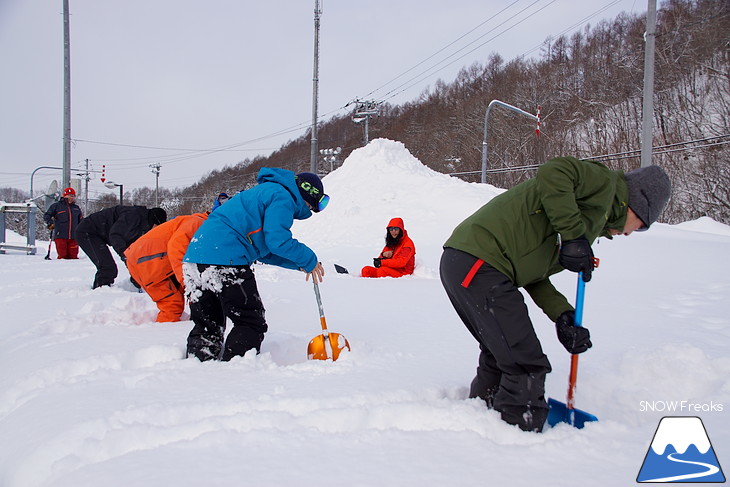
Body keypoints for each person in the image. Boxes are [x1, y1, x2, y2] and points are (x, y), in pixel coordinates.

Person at [439, 157, 671, 432]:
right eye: (642, 225)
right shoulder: (604, 186)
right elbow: (554, 170)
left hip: (471, 263)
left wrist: (562, 314)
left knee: (502, 352)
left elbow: (532, 275)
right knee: (525, 362)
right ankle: (517, 435)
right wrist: (573, 237)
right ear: (637, 206)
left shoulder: (584, 219)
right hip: (479, 262)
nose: (632, 233)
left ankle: (480, 416)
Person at [183, 169, 329, 362]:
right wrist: (309, 259)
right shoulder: (283, 196)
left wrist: (298, 264)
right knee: (250, 321)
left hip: (195, 257)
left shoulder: (267, 192)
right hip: (227, 258)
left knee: (208, 323)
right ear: (308, 195)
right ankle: (235, 370)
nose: (310, 210)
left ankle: (198, 366)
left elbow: (266, 250)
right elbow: (278, 240)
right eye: (315, 204)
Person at [124, 211, 209, 323]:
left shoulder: (196, 222)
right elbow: (177, 249)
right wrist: (188, 283)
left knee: (176, 302)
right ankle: (162, 334)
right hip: (148, 261)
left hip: (147, 259)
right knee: (172, 307)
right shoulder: (197, 223)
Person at [76, 205, 167, 289]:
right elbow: (115, 236)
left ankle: (108, 291)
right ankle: (100, 295)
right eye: (157, 227)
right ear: (153, 221)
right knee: (107, 268)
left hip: (99, 235)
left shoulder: (142, 226)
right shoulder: (133, 216)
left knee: (110, 267)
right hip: (87, 231)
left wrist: (136, 272)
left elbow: (132, 250)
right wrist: (125, 256)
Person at [43, 187, 83, 259]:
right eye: (69, 195)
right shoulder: (56, 206)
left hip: (74, 237)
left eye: (73, 196)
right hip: (60, 236)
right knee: (62, 256)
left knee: (74, 257)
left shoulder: (76, 208)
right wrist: (50, 223)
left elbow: (81, 221)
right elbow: (47, 215)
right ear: (64, 196)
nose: (71, 197)